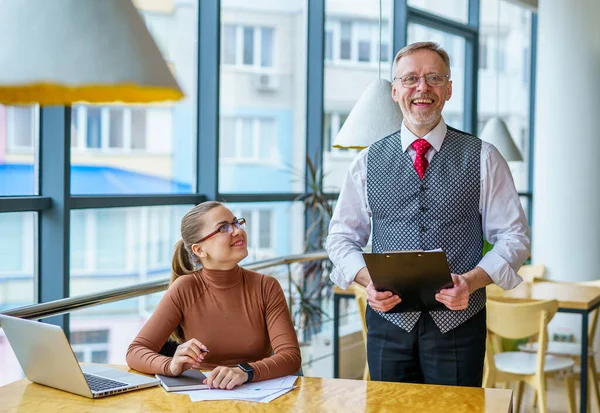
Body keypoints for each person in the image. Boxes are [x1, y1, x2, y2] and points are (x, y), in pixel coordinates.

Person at [326, 41, 530, 387]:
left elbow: (514, 238)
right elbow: (341, 238)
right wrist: (366, 281)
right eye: (410, 79)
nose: (422, 88)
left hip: (459, 323)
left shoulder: (484, 157)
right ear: (394, 91)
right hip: (387, 324)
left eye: (434, 78)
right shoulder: (366, 162)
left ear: (448, 89)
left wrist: (473, 281)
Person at [126, 201, 301, 389]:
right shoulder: (185, 288)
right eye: (223, 228)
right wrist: (170, 365)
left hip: (261, 393)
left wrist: (244, 372)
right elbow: (135, 352)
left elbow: (290, 357)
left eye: (236, 223)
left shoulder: (266, 286)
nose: (237, 231)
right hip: (203, 393)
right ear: (199, 250)